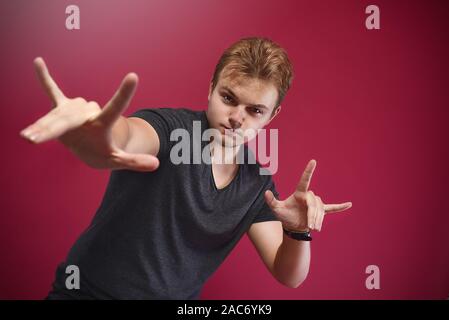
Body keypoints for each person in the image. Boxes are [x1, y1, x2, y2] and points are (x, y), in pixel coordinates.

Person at [20, 37, 352, 299]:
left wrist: (297, 231)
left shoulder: (256, 182)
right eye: (228, 98)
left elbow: (288, 275)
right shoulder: (169, 129)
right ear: (211, 88)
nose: (237, 117)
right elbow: (130, 134)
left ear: (272, 116)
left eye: (254, 110)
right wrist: (104, 137)